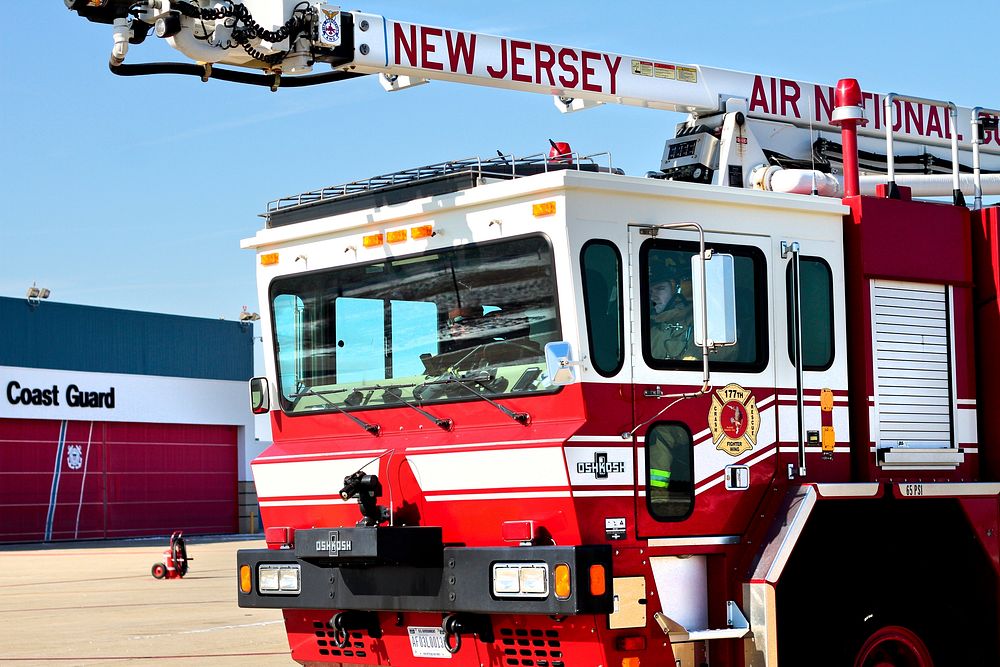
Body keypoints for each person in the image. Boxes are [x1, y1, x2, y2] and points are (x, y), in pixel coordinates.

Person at [648, 268, 696, 360]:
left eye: (660, 289)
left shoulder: (702, 325)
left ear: (678, 289)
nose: (653, 297)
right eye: (650, 292)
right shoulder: (649, 331)